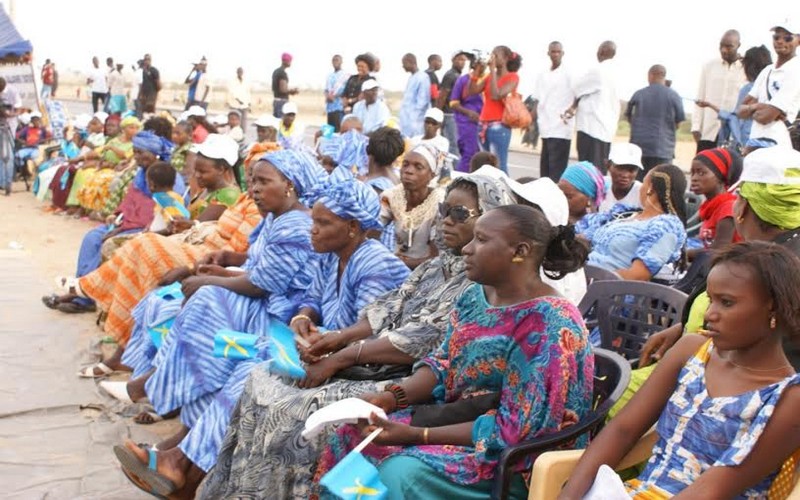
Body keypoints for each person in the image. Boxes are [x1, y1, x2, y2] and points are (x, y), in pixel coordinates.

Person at [200, 173, 517, 499]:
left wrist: (342, 355)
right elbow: (386, 309)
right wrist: (336, 339)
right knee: (258, 380)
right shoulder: (435, 268)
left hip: (410, 379)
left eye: (460, 214)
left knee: (292, 412)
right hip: (376, 364)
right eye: (444, 210)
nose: (447, 220)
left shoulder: (480, 283)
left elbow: (424, 339)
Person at [112, 176, 409, 499]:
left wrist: (317, 339)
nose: (313, 229)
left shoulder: (374, 262)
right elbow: (311, 300)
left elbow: (367, 329)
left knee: (251, 372)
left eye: (323, 223)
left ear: (352, 227)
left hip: (366, 366)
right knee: (232, 357)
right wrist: (302, 319)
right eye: (314, 221)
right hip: (327, 349)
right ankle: (183, 459)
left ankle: (182, 466)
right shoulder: (331, 255)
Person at [313, 203, 593, 499]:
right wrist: (391, 397)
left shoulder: (549, 324)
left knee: (399, 473)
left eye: (482, 240)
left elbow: (519, 430)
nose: (467, 250)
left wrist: (416, 435)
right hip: (461, 422)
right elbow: (444, 363)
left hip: (513, 459)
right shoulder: (475, 296)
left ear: (520, 252)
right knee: (352, 434)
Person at [561, 241, 800, 498]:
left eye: (727, 303)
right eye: (710, 300)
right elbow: (622, 430)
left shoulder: (787, 398)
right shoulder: (693, 350)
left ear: (773, 308)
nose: (709, 314)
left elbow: (713, 488)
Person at [577, 164, 687, 281]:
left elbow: (638, 275)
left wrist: (589, 279)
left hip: (608, 290)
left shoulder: (666, 226)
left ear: (650, 188)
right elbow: (584, 228)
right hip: (582, 276)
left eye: (643, 182)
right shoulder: (627, 214)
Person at [696, 46, 773, 152]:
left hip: (746, 146)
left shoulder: (749, 89)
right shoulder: (772, 87)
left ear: (749, 66)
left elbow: (734, 119)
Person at [381, 143, 445, 269]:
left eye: (418, 167)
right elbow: (371, 231)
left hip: (429, 274)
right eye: (405, 164)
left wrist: (396, 263)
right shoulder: (391, 196)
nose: (408, 171)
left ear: (432, 175)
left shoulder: (440, 203)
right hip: (397, 267)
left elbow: (436, 259)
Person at [738, 23, 800, 147]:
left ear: (798, 41)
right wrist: (759, 106)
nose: (780, 41)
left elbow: (766, 117)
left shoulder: (796, 70)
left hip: (778, 144)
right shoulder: (767, 70)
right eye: (776, 37)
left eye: (787, 38)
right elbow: (740, 111)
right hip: (755, 141)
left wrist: (753, 109)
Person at [565, 41, 620, 174]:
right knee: (600, 170)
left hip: (592, 128)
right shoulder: (616, 72)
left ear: (601, 52)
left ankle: (591, 195)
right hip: (606, 130)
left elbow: (577, 87)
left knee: (589, 171)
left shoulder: (598, 71)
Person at [469, 45, 523, 174]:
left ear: (505, 59)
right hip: (483, 125)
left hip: (499, 126)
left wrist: (492, 70)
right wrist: (476, 72)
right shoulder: (489, 77)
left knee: (499, 165)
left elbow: (496, 94)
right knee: (483, 164)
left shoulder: (513, 77)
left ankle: (504, 192)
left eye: (495, 55)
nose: (492, 58)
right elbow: (472, 91)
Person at [692, 30, 747, 153]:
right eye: (721, 46)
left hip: (733, 133)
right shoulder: (709, 66)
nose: (724, 50)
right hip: (709, 131)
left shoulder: (746, 68)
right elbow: (700, 97)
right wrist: (696, 127)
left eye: (729, 46)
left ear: (738, 45)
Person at [626, 64, 686, 174]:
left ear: (650, 75)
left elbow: (628, 116)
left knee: (638, 184)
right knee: (662, 183)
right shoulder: (674, 95)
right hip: (663, 149)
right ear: (664, 76)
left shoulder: (639, 94)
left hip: (638, 148)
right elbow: (679, 121)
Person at [532, 41, 575, 181]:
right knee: (545, 168)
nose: (555, 54)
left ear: (563, 53)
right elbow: (537, 98)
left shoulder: (569, 73)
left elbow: (579, 93)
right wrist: (531, 117)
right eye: (553, 51)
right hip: (545, 125)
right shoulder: (543, 74)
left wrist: (572, 109)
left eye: (558, 51)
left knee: (557, 170)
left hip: (561, 127)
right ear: (548, 53)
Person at [690, 147, 743, 252]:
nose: (694, 178)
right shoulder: (710, 206)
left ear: (720, 177)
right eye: (692, 173)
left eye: (701, 173)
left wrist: (682, 254)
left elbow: (719, 250)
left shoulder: (728, 208)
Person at [450, 58, 484, 172]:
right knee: (469, 154)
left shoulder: (488, 79)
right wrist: (469, 112)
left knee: (483, 157)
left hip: (485, 124)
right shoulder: (463, 80)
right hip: (467, 123)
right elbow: (453, 103)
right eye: (480, 64)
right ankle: (460, 181)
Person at [437, 51, 469, 157]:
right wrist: (438, 115)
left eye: (464, 60)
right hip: (448, 115)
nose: (462, 62)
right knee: (452, 145)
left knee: (453, 145)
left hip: (455, 115)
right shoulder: (450, 75)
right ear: (453, 60)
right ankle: (456, 170)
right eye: (460, 59)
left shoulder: (459, 75)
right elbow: (442, 95)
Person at [598, 142, 644, 212]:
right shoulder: (599, 186)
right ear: (608, 165)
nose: (625, 175)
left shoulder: (643, 193)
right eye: (620, 168)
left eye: (631, 169)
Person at [399, 53, 431, 139]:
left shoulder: (423, 77)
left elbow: (423, 101)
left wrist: (414, 118)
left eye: (404, 63)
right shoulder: (412, 77)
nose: (403, 66)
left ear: (411, 62)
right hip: (407, 121)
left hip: (416, 122)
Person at [325, 55, 348, 132]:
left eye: (337, 60)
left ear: (341, 62)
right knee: (329, 133)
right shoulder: (329, 76)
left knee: (338, 132)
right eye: (333, 60)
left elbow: (346, 91)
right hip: (329, 109)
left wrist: (335, 95)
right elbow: (326, 90)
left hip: (339, 108)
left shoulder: (345, 75)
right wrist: (328, 96)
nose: (335, 62)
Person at [272, 53, 299, 118]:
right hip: (282, 102)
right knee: (281, 123)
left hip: (276, 100)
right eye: (290, 61)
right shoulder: (282, 73)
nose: (290, 63)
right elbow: (283, 89)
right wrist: (293, 91)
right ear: (286, 61)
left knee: (277, 122)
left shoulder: (276, 71)